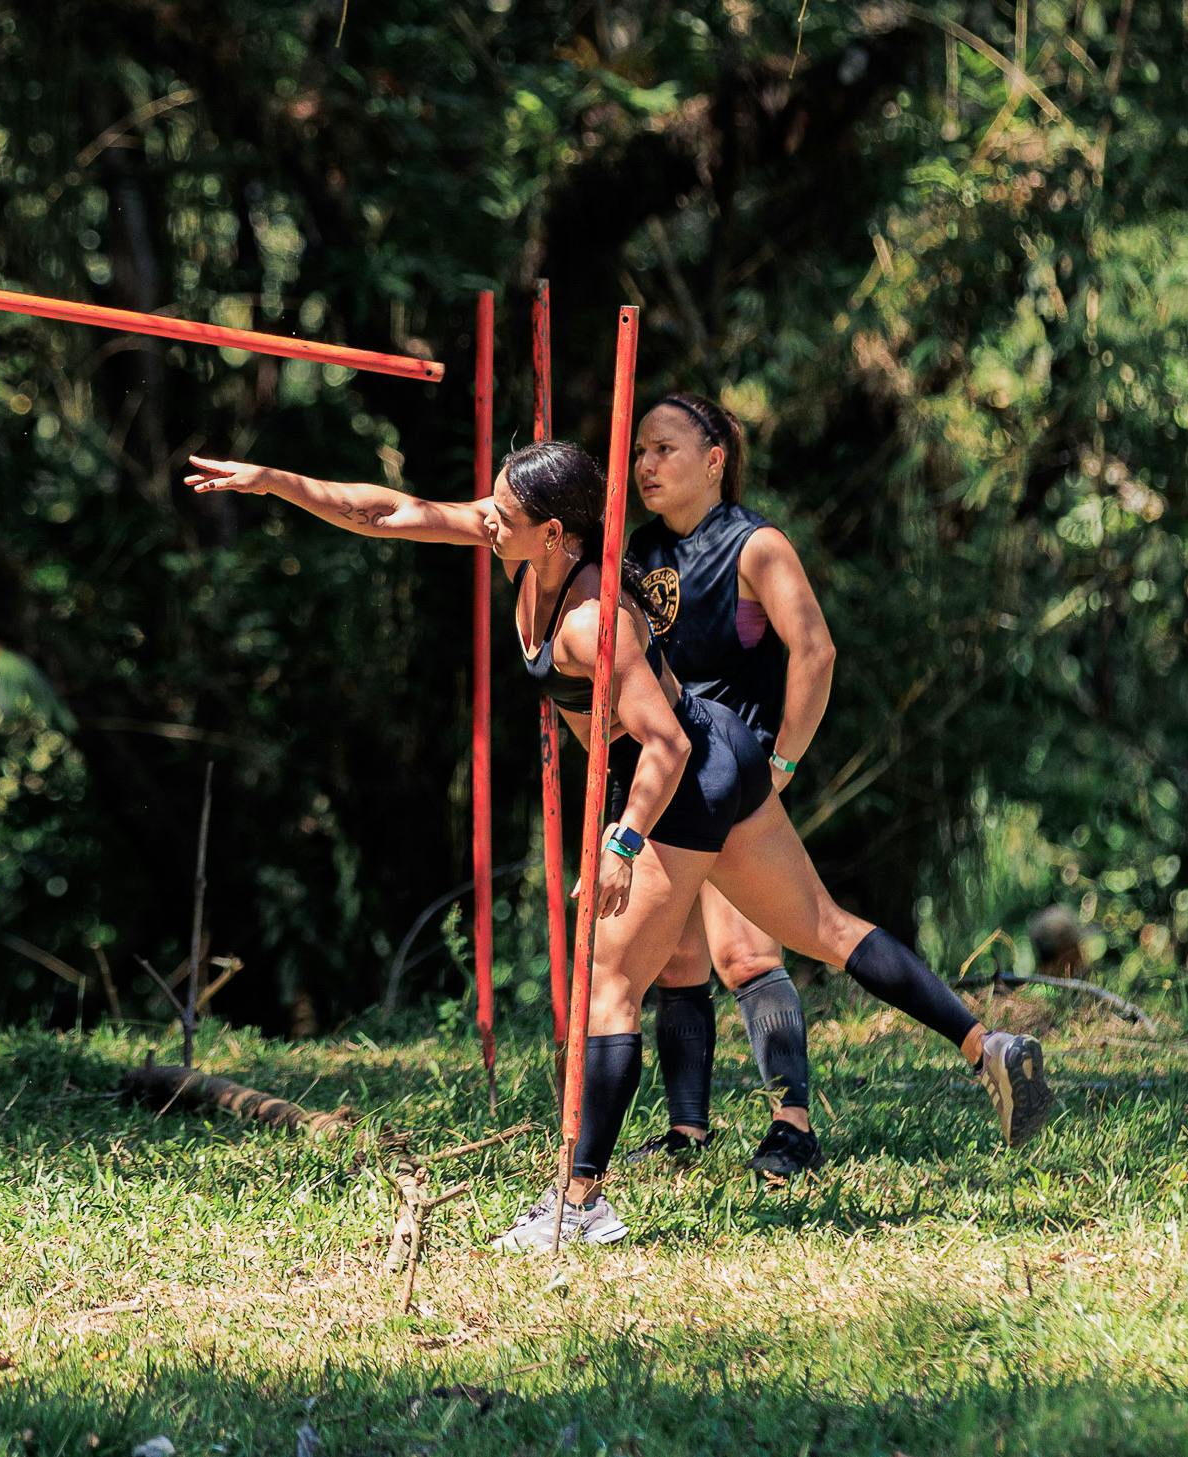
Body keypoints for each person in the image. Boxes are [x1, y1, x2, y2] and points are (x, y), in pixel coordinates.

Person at [184, 441, 1051, 1247]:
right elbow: (390, 511)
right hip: (719, 752)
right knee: (823, 926)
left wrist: (624, 840)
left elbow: (663, 746)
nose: (483, 519)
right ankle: (988, 1049)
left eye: (501, 514)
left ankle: (578, 1201)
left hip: (679, 778)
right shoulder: (526, 551)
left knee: (608, 986)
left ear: (553, 533)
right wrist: (276, 483)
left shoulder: (592, 621)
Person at [615, 392, 837, 1180]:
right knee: (676, 961)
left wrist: (781, 763)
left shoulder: (754, 544)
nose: (645, 465)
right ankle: (687, 1132)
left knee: (745, 952)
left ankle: (793, 1125)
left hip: (735, 774)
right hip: (669, 772)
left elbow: (814, 650)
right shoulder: (634, 551)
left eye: (663, 449)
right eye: (638, 451)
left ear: (714, 460)